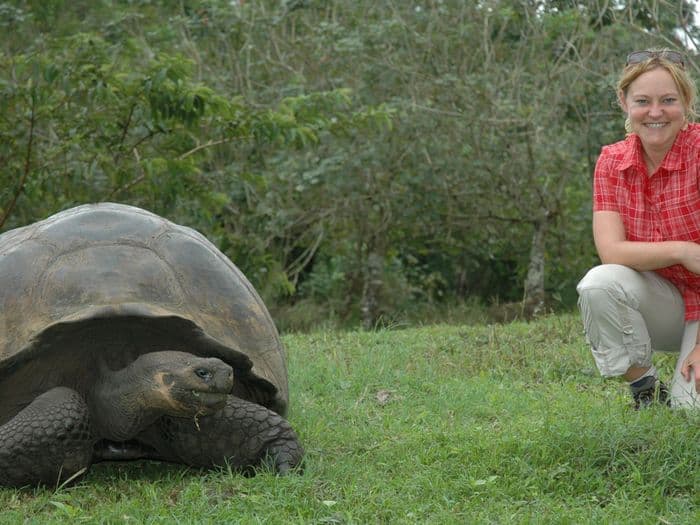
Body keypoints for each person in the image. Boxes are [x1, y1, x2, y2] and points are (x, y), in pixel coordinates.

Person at [577, 49, 700, 409]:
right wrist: (683, 251)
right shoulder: (612, 161)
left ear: (686, 101)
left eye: (668, 100)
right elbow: (612, 251)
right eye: (643, 101)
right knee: (599, 283)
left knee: (693, 410)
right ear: (624, 102)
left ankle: (684, 390)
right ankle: (646, 390)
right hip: (666, 303)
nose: (656, 112)